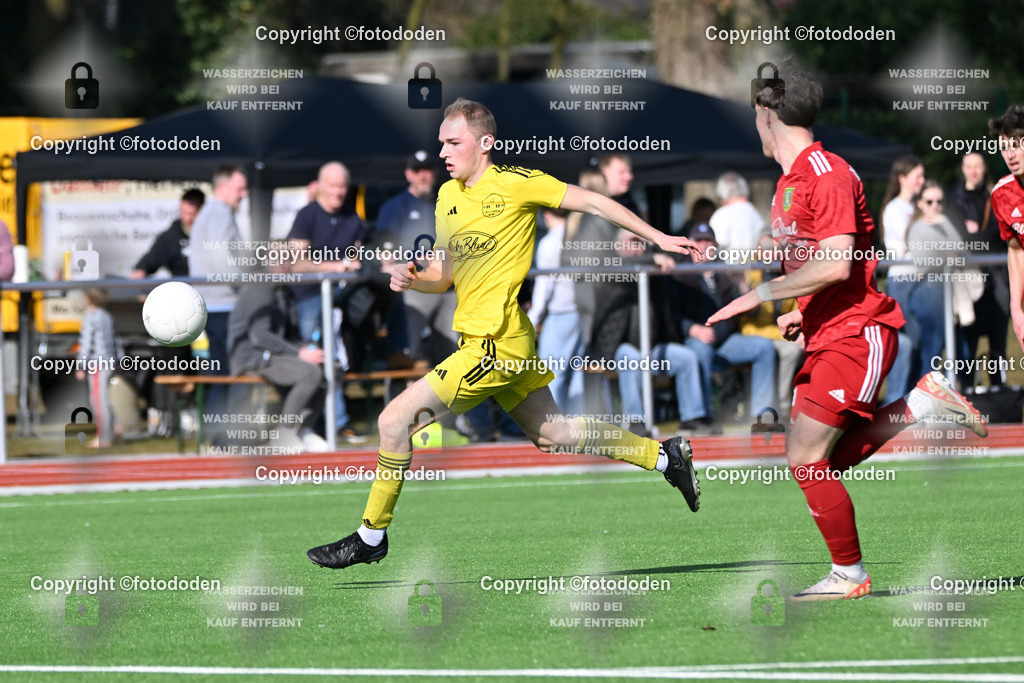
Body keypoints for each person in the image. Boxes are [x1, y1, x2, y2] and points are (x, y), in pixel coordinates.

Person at [307, 97, 704, 569]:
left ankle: (371, 535)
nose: (443, 153)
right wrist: (413, 278)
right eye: (441, 143)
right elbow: (444, 275)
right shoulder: (448, 196)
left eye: (453, 142)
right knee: (554, 433)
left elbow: (595, 201)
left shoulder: (518, 183)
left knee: (393, 422)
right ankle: (665, 457)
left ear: (485, 143)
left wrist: (660, 237)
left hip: (496, 346)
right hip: (496, 342)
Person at [708, 57, 987, 600]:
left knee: (806, 459)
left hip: (859, 333)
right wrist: (800, 307)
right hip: (829, 331)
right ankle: (921, 404)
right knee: (816, 463)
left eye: (755, 112)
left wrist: (761, 294)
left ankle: (850, 574)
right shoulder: (788, 183)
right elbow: (816, 258)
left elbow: (838, 264)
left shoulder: (826, 173)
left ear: (767, 114)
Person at [588, 228, 708, 435]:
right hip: (617, 348)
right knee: (632, 359)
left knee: (687, 358)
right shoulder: (611, 268)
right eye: (632, 242)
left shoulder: (654, 273)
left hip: (652, 347)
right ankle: (636, 421)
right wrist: (652, 258)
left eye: (641, 243)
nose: (638, 249)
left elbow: (670, 261)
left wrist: (655, 254)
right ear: (618, 246)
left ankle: (693, 417)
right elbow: (624, 266)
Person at [287, 161, 364, 439]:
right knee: (318, 359)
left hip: (340, 301)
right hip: (309, 298)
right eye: (333, 185)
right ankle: (319, 424)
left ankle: (335, 423)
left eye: (342, 186)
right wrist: (335, 267)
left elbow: (356, 259)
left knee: (337, 360)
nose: (338, 191)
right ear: (320, 186)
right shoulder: (306, 216)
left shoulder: (353, 218)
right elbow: (296, 264)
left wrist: (353, 265)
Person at [678, 224, 777, 423]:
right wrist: (692, 329)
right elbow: (670, 313)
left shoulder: (725, 272)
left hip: (725, 342)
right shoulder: (678, 274)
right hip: (694, 341)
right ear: (689, 246)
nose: (704, 246)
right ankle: (700, 417)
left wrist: (741, 283)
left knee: (765, 348)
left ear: (715, 246)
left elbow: (753, 310)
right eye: (699, 241)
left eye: (708, 241)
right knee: (701, 351)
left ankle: (761, 416)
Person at [375, 150, 457, 365]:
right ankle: (402, 388)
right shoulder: (395, 207)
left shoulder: (448, 203)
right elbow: (383, 252)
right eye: (417, 170)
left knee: (454, 354)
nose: (423, 176)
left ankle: (456, 389)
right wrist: (397, 266)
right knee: (406, 353)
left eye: (427, 170)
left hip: (448, 289)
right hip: (414, 288)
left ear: (435, 172)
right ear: (408, 174)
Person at [228, 282, 330, 452]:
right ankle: (284, 432)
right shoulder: (257, 290)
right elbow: (259, 337)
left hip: (277, 354)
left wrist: (308, 351)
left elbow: (289, 334)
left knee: (331, 369)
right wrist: (299, 352)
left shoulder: (285, 291)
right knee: (310, 373)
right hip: (253, 357)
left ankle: (303, 429)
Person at [188, 165, 250, 429]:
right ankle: (228, 431)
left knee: (221, 371)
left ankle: (216, 431)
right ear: (222, 187)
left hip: (213, 304)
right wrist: (245, 282)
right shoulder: (219, 213)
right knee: (238, 371)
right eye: (240, 189)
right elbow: (222, 257)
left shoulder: (210, 214)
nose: (244, 194)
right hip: (224, 303)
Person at [905, 181, 982, 379]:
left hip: (943, 292)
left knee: (959, 353)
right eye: (929, 201)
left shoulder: (940, 224)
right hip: (929, 293)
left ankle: (952, 393)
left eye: (939, 201)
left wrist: (944, 224)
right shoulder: (919, 228)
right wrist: (947, 253)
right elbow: (933, 257)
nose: (935, 206)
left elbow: (961, 251)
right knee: (933, 353)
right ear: (920, 203)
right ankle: (924, 396)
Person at [948, 152, 1009, 387]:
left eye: (977, 166)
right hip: (968, 277)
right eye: (969, 166)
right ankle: (967, 391)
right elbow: (958, 236)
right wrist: (975, 235)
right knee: (969, 335)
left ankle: (999, 388)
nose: (973, 171)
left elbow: (1001, 232)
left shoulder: (997, 195)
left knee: (998, 337)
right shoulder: (953, 198)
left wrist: (973, 234)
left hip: (997, 274)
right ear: (963, 169)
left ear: (985, 168)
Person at [528, 207, 584, 414]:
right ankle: (581, 425)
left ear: (546, 215)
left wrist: (533, 318)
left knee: (551, 375)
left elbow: (545, 286)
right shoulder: (580, 237)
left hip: (561, 313)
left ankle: (554, 424)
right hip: (583, 313)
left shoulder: (549, 242)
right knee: (578, 375)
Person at [879, 156, 925, 404]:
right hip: (902, 282)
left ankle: (913, 402)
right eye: (917, 176)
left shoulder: (919, 207)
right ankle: (896, 403)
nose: (922, 181)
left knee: (920, 345)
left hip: (921, 282)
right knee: (908, 343)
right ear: (902, 178)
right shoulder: (894, 209)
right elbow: (906, 250)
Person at [988, 104, 1024, 353]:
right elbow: (1016, 250)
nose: (1010, 154)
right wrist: (1016, 309)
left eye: (1017, 145)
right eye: (1004, 147)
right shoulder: (1002, 194)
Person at [75, 288, 124, 448]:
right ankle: (116, 427)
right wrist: (120, 359)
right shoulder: (107, 316)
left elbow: (86, 344)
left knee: (97, 400)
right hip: (110, 362)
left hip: (98, 364)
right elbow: (116, 339)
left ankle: (103, 438)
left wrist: (81, 365)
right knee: (104, 398)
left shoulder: (91, 317)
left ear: (89, 299)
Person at [131, 189, 205, 278]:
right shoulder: (172, 236)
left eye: (192, 214)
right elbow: (148, 262)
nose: (187, 218)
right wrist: (140, 272)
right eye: (184, 213)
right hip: (182, 285)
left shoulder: (214, 232)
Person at [708, 172, 769, 261]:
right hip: (752, 267)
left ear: (721, 193)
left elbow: (713, 247)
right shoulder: (755, 213)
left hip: (727, 267)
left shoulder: (721, 215)